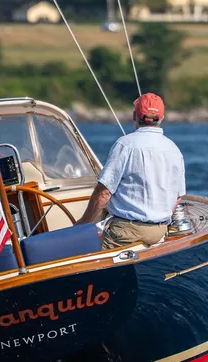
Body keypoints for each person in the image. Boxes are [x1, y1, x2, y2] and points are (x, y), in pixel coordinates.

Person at [77, 93, 186, 249]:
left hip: (125, 233)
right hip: (159, 232)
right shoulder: (174, 150)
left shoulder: (125, 145)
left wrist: (82, 224)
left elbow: (104, 194)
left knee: (83, 254)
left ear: (134, 115)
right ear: (161, 118)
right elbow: (178, 196)